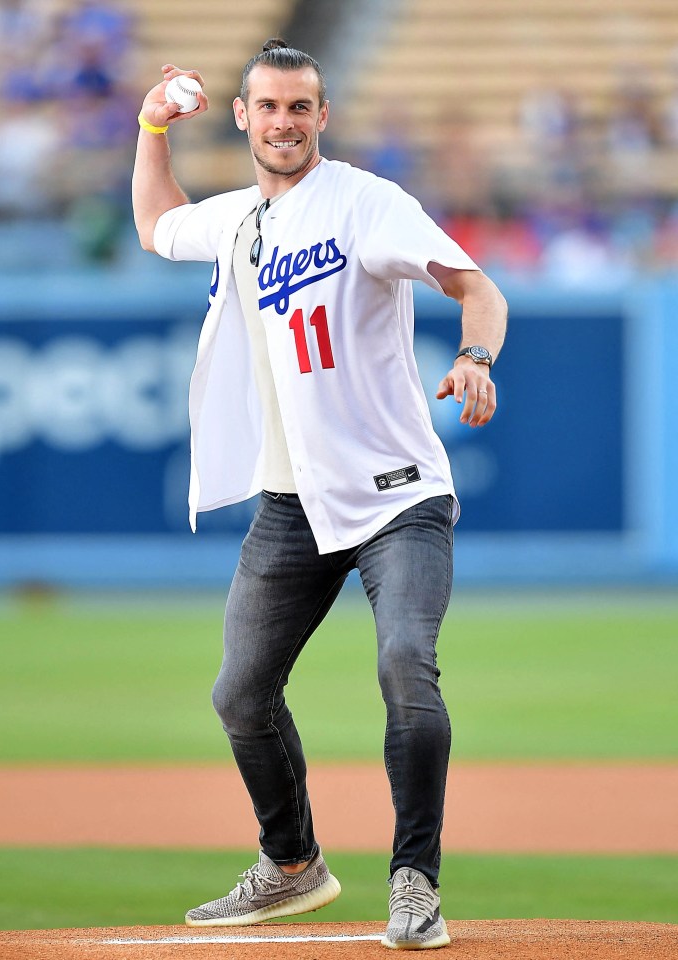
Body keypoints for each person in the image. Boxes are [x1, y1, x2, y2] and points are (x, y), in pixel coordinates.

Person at [132, 39, 507, 951]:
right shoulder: (237, 221)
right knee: (238, 695)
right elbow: (156, 225)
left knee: (404, 669)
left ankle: (414, 884)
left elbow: (476, 286)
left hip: (395, 500)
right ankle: (291, 866)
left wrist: (474, 355)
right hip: (291, 505)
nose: (284, 122)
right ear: (243, 117)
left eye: (300, 107)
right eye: (268, 106)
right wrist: (148, 128)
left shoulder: (365, 202)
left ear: (322, 117)